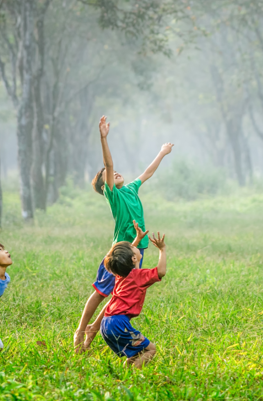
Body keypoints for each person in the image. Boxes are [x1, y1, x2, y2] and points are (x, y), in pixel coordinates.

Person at [73, 116, 173, 352]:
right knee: (100, 292)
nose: (114, 172)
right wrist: (103, 138)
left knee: (121, 293)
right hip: (120, 251)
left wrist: (161, 153)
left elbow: (147, 173)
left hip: (138, 249)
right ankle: (81, 331)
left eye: (115, 172)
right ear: (104, 186)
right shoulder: (114, 196)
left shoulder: (130, 189)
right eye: (107, 175)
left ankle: (92, 333)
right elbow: (108, 165)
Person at [101, 223, 167, 368]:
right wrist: (162, 250)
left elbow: (124, 258)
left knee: (136, 352)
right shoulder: (139, 276)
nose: (136, 247)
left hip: (106, 323)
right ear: (133, 259)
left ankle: (124, 373)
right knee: (151, 349)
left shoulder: (120, 274)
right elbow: (161, 271)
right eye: (134, 248)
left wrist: (136, 239)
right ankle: (132, 377)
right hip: (119, 324)